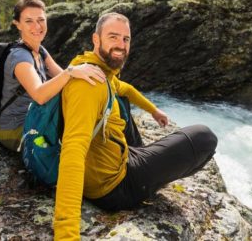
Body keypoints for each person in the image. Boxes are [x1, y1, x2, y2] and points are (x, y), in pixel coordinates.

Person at [54, 12, 218, 240]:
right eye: (113, 37)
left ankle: (146, 166)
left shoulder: (90, 66)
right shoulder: (90, 85)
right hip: (113, 188)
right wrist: (66, 235)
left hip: (114, 160)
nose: (121, 45)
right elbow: (73, 152)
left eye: (126, 39)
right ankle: (147, 185)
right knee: (205, 138)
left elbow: (124, 88)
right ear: (96, 39)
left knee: (121, 101)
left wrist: (153, 110)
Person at [0, 0, 106, 151]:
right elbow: (39, 95)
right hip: (15, 130)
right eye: (28, 21)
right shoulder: (20, 57)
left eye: (41, 20)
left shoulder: (39, 51)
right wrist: (71, 71)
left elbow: (67, 82)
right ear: (17, 24)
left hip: (37, 119)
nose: (37, 26)